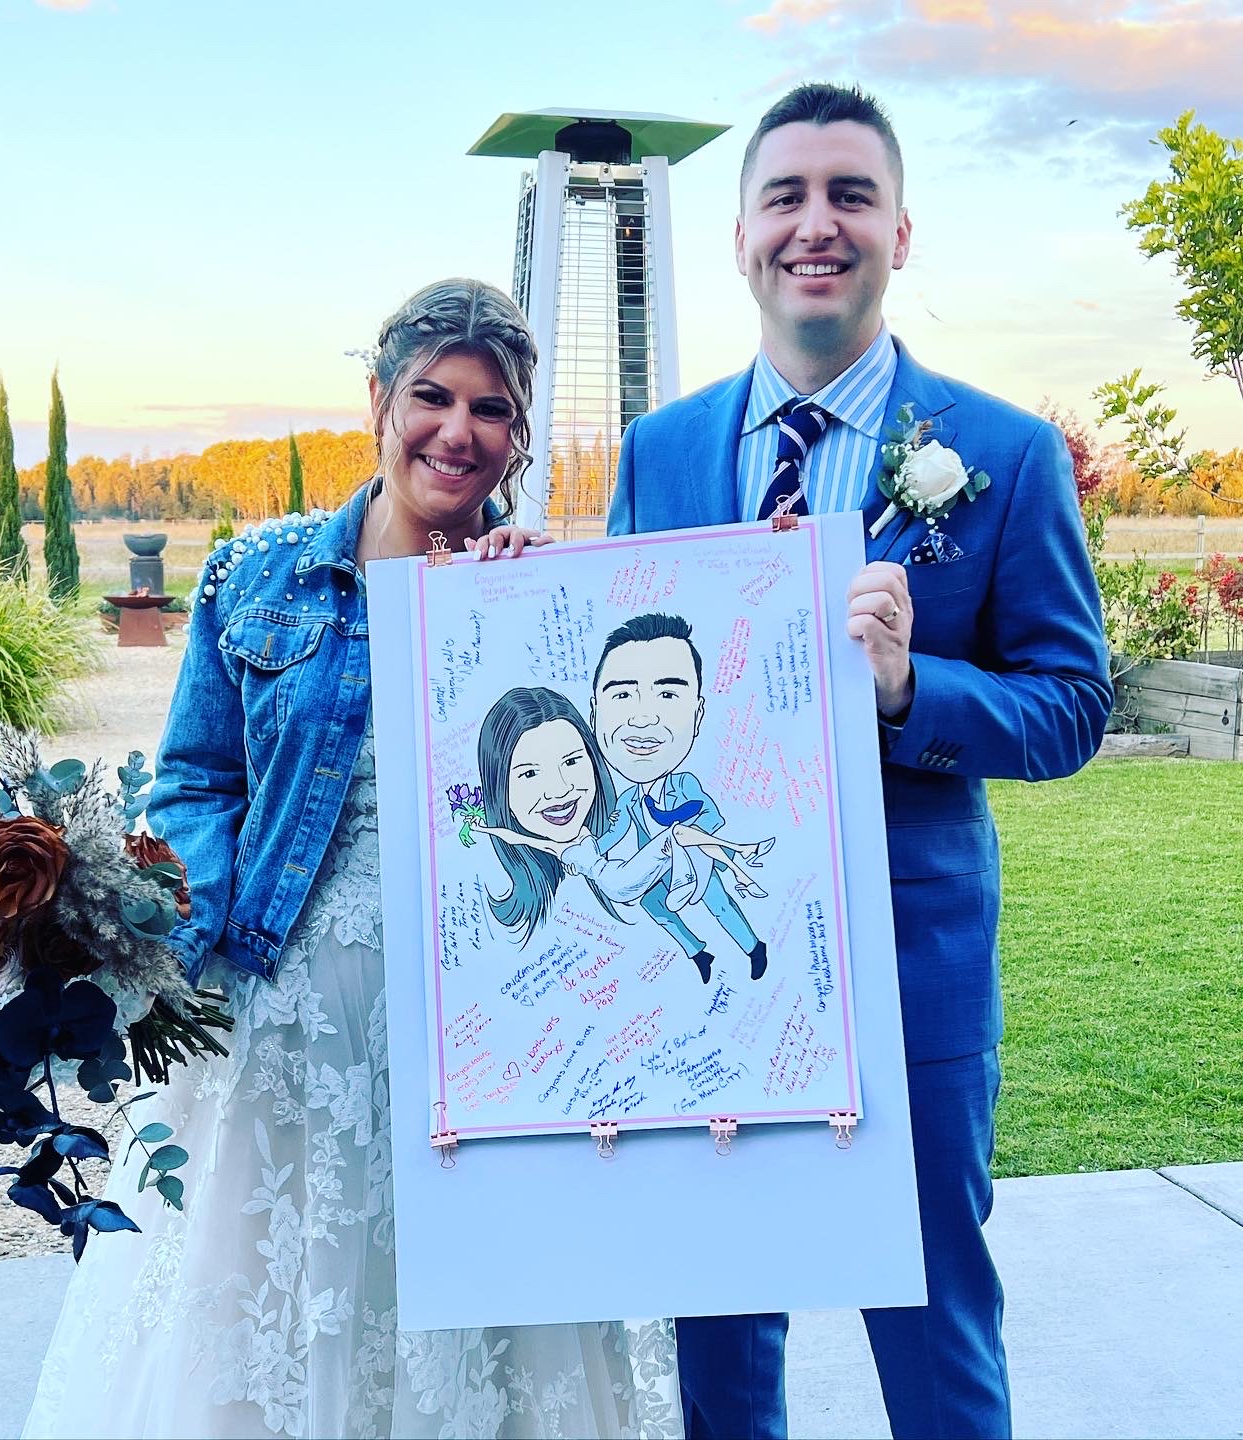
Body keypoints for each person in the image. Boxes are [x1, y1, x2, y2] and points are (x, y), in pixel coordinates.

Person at [23, 279, 683, 1440]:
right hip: (291, 1008)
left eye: (492, 409)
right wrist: (177, 931)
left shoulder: (540, 590)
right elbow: (197, 777)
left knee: (480, 1330)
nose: (458, 432)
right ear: (379, 401)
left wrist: (549, 612)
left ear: (518, 434)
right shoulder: (255, 574)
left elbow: (596, 795)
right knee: (279, 1304)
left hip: (488, 1018)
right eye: (433, 397)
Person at [608, 83, 1111, 1439]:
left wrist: (907, 688)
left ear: (900, 230)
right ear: (740, 237)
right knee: (718, 1339)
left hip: (909, 969)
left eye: (850, 195)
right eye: (785, 196)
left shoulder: (1002, 454)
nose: (815, 225)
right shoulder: (661, 451)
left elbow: (1074, 705)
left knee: (936, 1332)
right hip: (712, 976)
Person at [474, 684, 770, 938]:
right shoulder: (560, 865)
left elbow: (609, 838)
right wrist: (485, 828)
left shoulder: (599, 828)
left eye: (572, 762)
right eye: (529, 774)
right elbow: (517, 839)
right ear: (499, 790)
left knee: (680, 838)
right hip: (619, 882)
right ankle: (736, 859)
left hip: (625, 875)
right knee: (677, 839)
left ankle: (735, 865)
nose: (559, 789)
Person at [590, 613, 774, 985]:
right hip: (660, 865)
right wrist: (586, 851)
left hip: (696, 860)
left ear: (697, 715)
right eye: (622, 695)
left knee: (718, 902)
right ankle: (698, 951)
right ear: (595, 714)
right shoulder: (628, 801)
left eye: (668, 695)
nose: (643, 718)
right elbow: (612, 835)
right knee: (651, 902)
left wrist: (693, 843)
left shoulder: (685, 784)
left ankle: (753, 947)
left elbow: (710, 817)